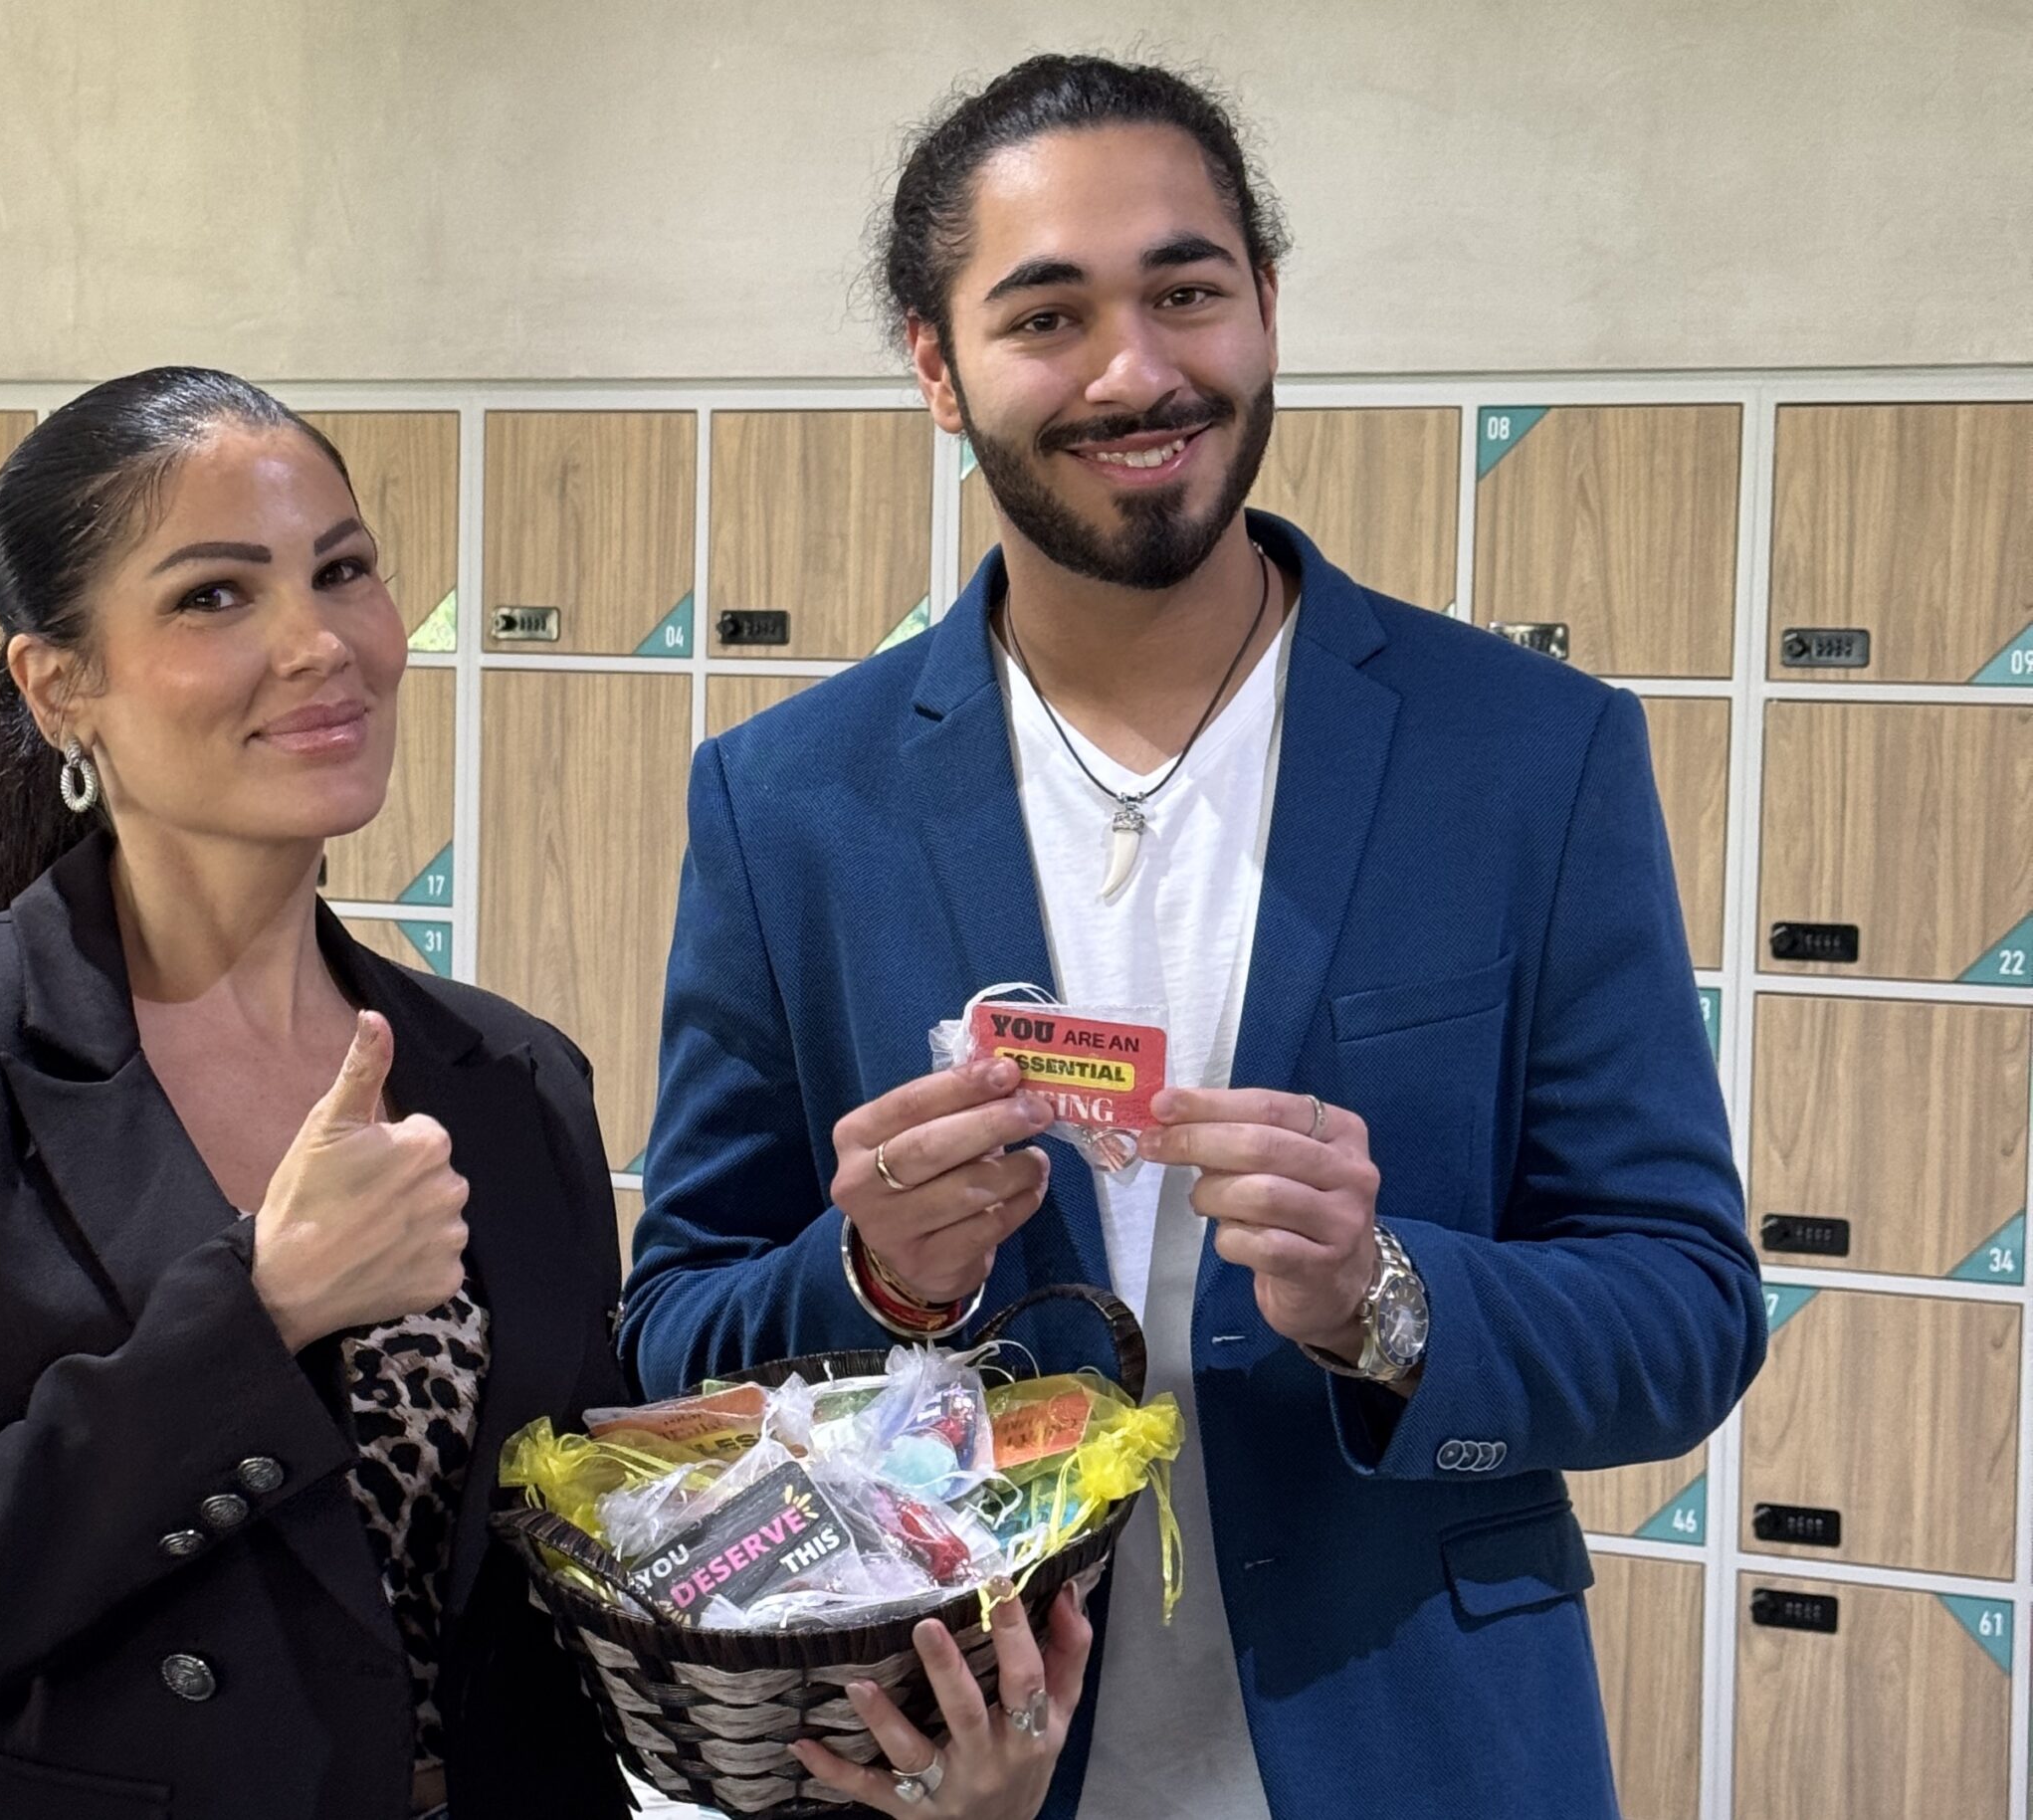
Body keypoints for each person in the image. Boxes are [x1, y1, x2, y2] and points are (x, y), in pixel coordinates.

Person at [621, 56, 1764, 1820]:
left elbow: (1685, 1310)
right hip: (954, 1765)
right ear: (936, 367)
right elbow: (675, 1331)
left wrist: (1386, 1298)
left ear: (1268, 306)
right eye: (1047, 316)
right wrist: (873, 1278)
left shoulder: (1528, 758)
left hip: (1420, 1749)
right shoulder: (790, 804)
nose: (1136, 370)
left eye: (1185, 292)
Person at [0, 367, 631, 1820]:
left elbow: (585, 1562)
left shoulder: (513, 1073)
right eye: (215, 596)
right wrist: (258, 1311)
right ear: (61, 687)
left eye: (341, 571)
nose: (321, 643)